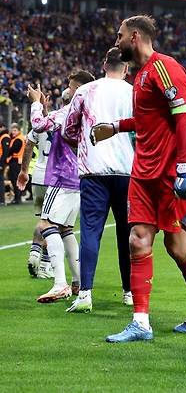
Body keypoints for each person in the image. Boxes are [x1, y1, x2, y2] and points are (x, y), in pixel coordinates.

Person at [92, 15, 186, 343]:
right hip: (143, 173)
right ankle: (141, 323)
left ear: (134, 36)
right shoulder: (142, 75)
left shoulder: (166, 68)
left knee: (177, 248)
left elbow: (185, 120)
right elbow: (148, 119)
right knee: (138, 239)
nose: (116, 41)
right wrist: (117, 126)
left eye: (119, 35)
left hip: (171, 174)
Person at [62, 47, 134, 313]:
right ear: (126, 68)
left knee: (91, 231)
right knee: (127, 233)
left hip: (93, 170)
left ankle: (85, 294)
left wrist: (83, 148)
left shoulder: (86, 91)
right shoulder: (133, 92)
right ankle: (129, 292)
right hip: (127, 171)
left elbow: (68, 128)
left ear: (104, 64)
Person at [28, 71, 95, 303]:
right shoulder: (90, 112)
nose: (66, 89)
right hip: (79, 176)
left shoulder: (69, 109)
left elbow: (37, 125)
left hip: (61, 175)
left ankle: (59, 284)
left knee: (46, 223)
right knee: (65, 229)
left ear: (77, 89)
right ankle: (78, 281)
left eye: (70, 85)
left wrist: (36, 103)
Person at [17, 91, 53, 278]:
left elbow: (29, 146)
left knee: (42, 219)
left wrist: (24, 171)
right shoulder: (63, 123)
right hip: (56, 178)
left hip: (38, 177)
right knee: (55, 224)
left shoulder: (37, 128)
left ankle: (34, 253)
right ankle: (46, 265)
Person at [6, 123, 26, 204]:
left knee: (15, 180)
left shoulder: (18, 139)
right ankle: (18, 197)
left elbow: (12, 150)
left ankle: (17, 198)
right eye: (12, 130)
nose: (13, 132)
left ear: (19, 131)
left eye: (15, 130)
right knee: (15, 180)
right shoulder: (16, 138)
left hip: (16, 161)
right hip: (16, 161)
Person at [0, 123, 9, 205]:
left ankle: (2, 200)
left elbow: (5, 152)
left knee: (0, 181)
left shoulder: (5, 137)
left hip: (1, 162)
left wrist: (1, 164)